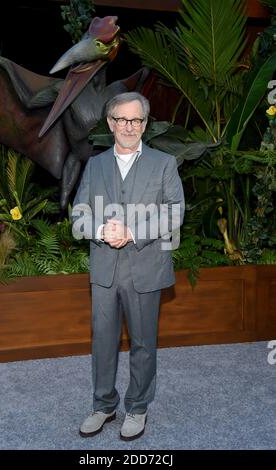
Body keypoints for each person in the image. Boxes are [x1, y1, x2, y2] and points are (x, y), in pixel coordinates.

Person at [71, 91, 185, 441]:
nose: (128, 126)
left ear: (145, 124)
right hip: (105, 271)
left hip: (145, 269)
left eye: (136, 120)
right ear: (110, 123)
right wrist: (102, 230)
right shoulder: (95, 165)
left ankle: (137, 407)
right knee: (102, 341)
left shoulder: (164, 163)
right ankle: (103, 405)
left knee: (142, 342)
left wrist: (133, 231)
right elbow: (78, 216)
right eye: (121, 119)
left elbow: (175, 211)